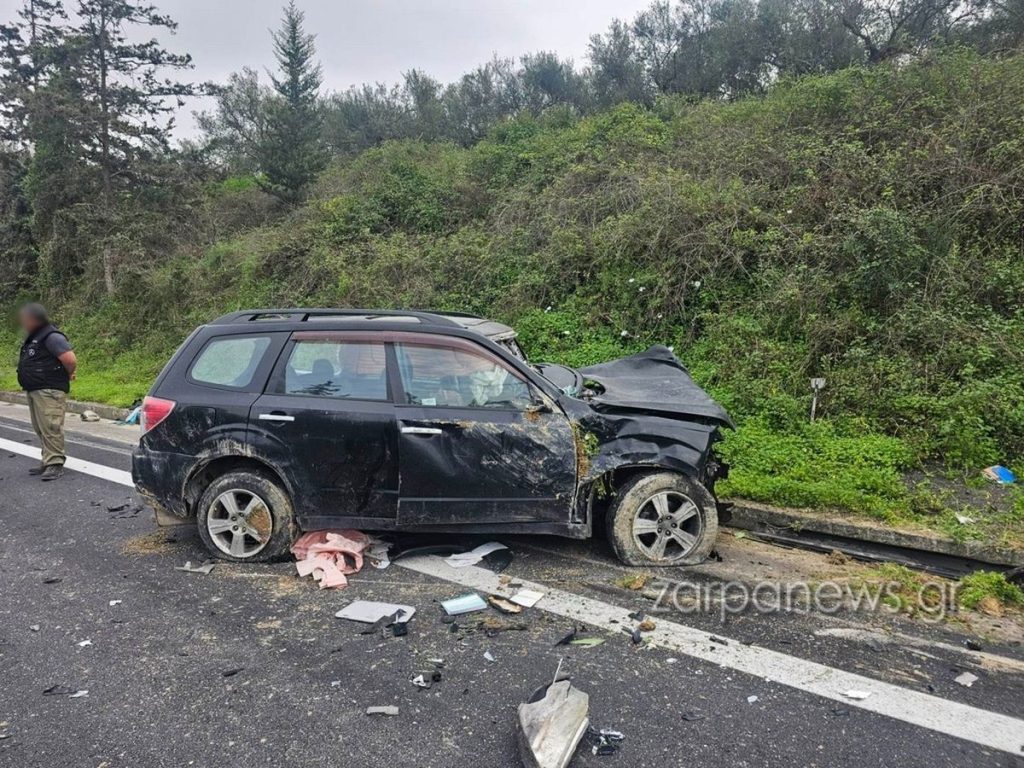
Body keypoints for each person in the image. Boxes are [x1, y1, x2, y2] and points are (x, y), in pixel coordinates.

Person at [16, 303, 76, 481]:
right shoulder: (35, 336)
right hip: (36, 389)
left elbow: (70, 359)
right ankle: (47, 459)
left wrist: (69, 373)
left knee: (51, 426)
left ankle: (55, 463)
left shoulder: (52, 336)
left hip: (49, 389)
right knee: (40, 427)